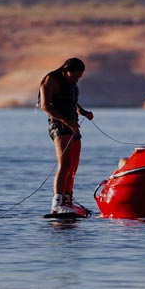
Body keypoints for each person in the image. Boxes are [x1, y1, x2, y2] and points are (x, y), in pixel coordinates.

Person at [39, 57, 93, 217]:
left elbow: (71, 102)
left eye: (79, 77)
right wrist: (65, 120)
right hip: (59, 127)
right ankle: (57, 204)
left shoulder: (71, 83)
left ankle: (67, 201)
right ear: (66, 70)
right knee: (64, 164)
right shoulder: (51, 80)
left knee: (73, 166)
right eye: (75, 76)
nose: (76, 79)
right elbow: (45, 105)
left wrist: (82, 112)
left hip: (73, 126)